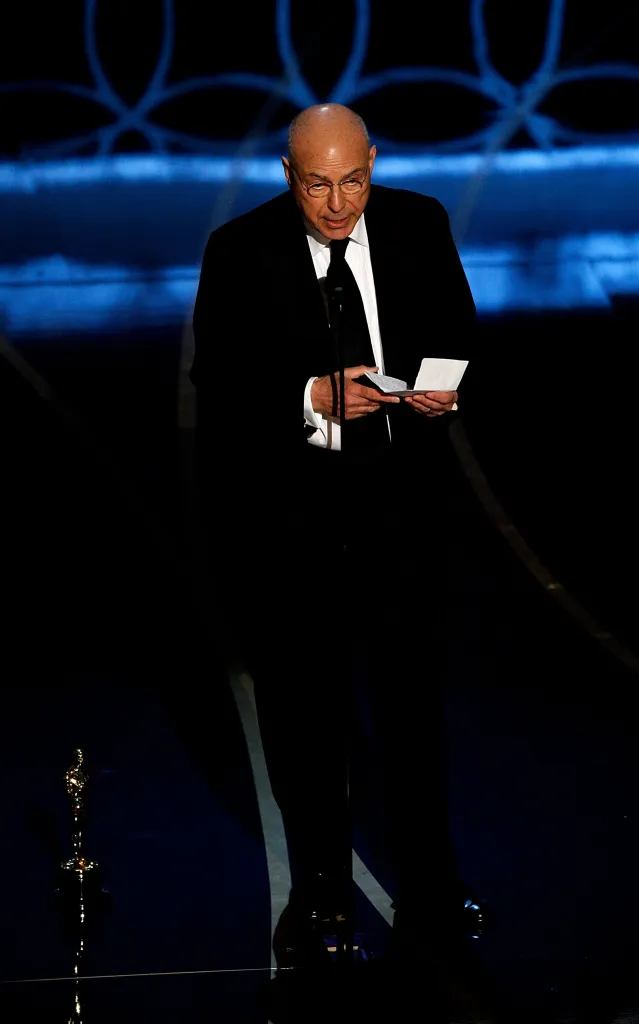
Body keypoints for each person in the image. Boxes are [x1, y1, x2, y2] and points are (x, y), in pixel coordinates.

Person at [190, 103, 484, 989]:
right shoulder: (240, 253)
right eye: (316, 184)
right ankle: (319, 891)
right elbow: (220, 388)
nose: (336, 202)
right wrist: (312, 398)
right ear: (289, 175)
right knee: (305, 716)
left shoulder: (418, 223)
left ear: (371, 165)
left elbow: (458, 331)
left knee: (412, 716)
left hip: (402, 518)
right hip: (292, 526)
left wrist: (440, 388)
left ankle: (432, 884)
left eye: (351, 180)